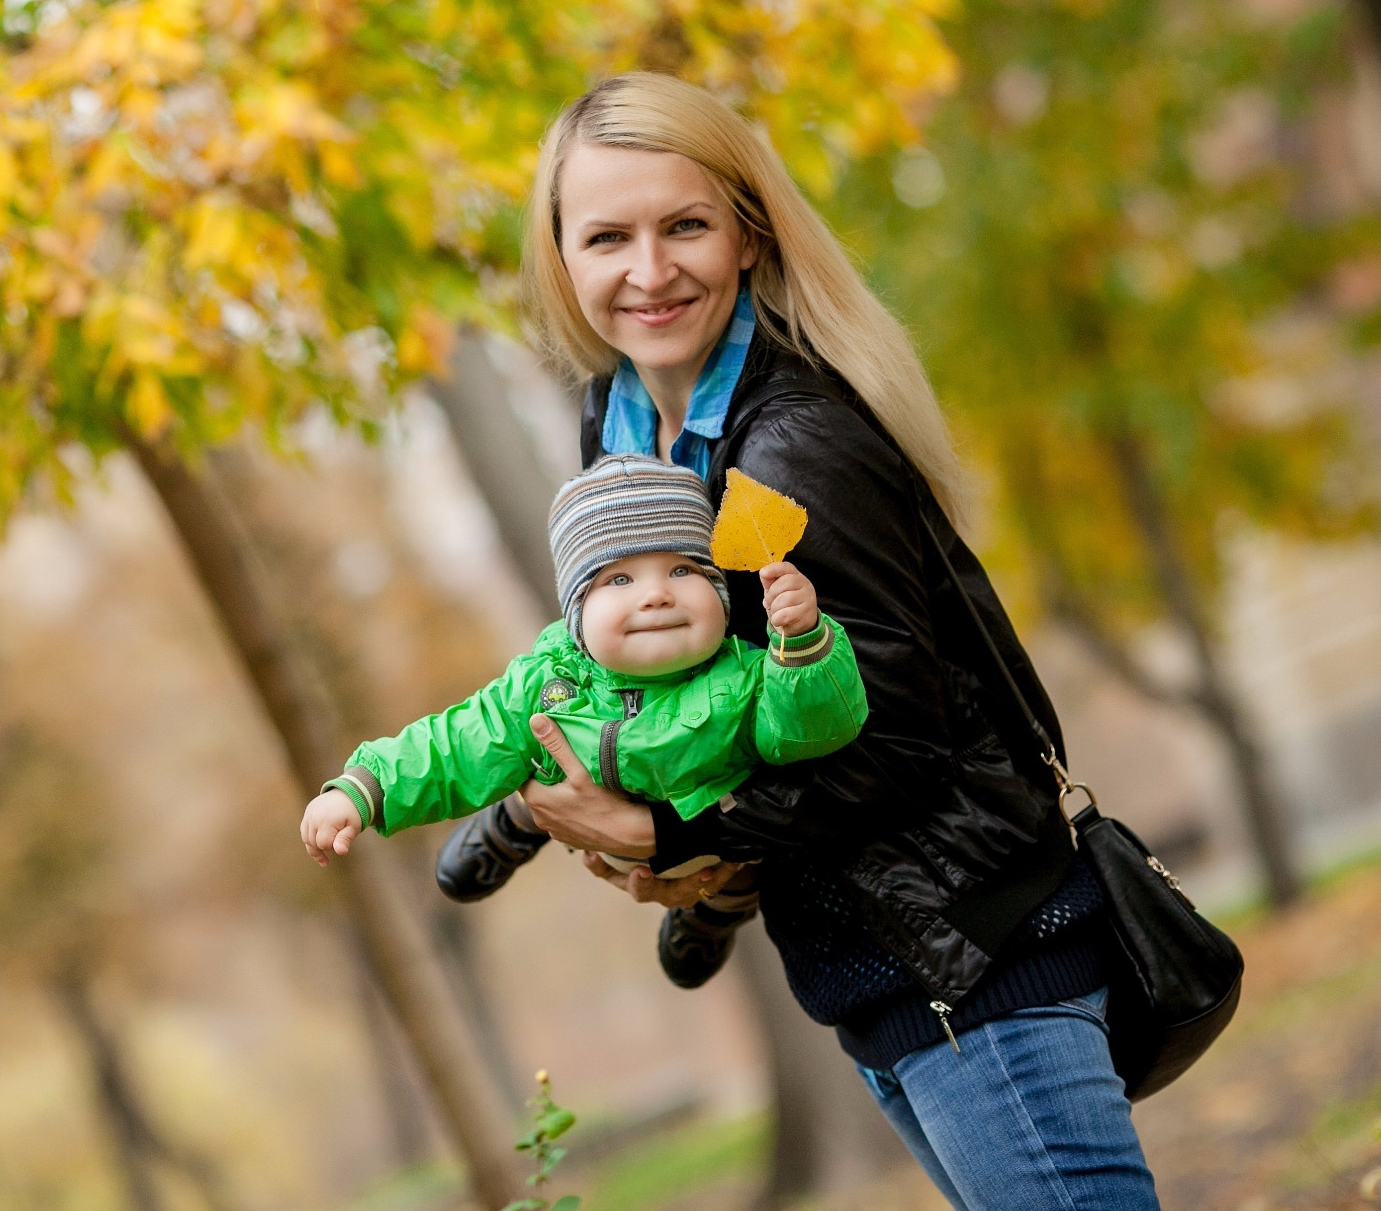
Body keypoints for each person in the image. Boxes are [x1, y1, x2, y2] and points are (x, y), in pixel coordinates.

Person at [499, 71, 1162, 1211]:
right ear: (561, 258)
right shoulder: (618, 436)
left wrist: (670, 824)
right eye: (607, 235)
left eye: (686, 224)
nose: (648, 270)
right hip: (876, 962)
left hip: (972, 955)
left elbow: (897, 737)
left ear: (749, 235)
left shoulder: (793, 444)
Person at [298, 455, 868, 912]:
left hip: (712, 848)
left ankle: (716, 916)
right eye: (619, 578)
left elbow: (812, 733)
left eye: (682, 570)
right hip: (593, 827)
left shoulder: (744, 678)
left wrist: (804, 648)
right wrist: (364, 789)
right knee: (516, 747)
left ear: (720, 596)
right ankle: (518, 817)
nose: (656, 594)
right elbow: (457, 740)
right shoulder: (553, 680)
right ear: (576, 615)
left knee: (735, 882)